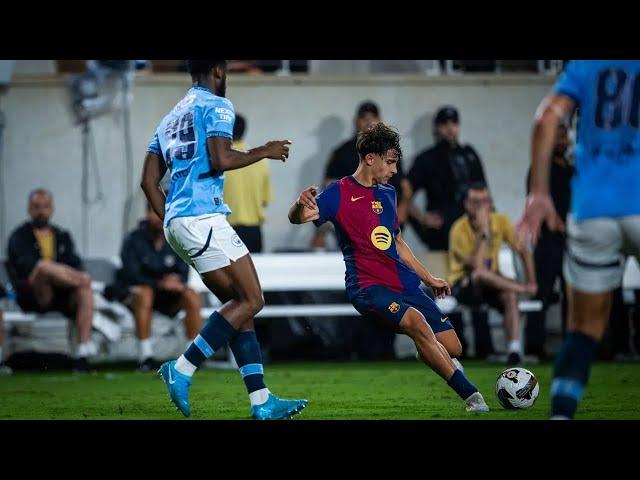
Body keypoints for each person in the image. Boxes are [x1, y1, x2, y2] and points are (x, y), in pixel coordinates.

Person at [142, 59, 307, 419]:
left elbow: (148, 183)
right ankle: (182, 368)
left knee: (238, 308)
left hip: (178, 224)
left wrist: (172, 217)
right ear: (218, 69)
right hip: (203, 218)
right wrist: (266, 149)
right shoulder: (217, 105)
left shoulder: (170, 117)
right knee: (252, 298)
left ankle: (260, 400)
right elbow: (221, 158)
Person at [289, 122, 490, 413]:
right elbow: (299, 217)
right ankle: (472, 397)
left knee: (453, 347)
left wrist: (429, 278)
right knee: (418, 324)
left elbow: (397, 243)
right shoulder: (339, 192)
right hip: (368, 287)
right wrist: (299, 204)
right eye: (391, 162)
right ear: (371, 158)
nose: (395, 170)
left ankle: (433, 354)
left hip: (404, 284)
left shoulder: (388, 194)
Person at [517, 60, 640, 419]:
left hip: (592, 210)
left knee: (583, 329)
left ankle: (561, 415)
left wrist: (538, 193)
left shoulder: (587, 64)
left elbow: (545, 118)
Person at [6, 189, 95, 372]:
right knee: (43, 267)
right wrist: (70, 275)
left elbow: (75, 263)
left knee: (84, 291)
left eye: (45, 207)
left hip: (61, 294)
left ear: (51, 209)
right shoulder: (19, 236)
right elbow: (27, 269)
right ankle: (82, 281)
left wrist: (67, 276)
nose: (41, 211)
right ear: (29, 209)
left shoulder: (62, 236)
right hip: (33, 294)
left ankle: (83, 354)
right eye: (36, 207)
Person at [449, 182, 537, 364]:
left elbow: (523, 250)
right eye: (475, 202)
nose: (481, 207)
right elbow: (477, 267)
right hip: (464, 285)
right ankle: (520, 288)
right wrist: (483, 232)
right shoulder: (458, 229)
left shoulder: (501, 221)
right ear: (466, 204)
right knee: (481, 275)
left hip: (492, 283)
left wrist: (532, 281)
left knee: (509, 294)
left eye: (485, 201)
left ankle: (514, 350)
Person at [311, 101, 412, 249]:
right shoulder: (342, 153)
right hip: (353, 221)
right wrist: (321, 232)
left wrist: (402, 210)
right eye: (364, 118)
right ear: (356, 122)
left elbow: (405, 187)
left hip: (385, 218)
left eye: (373, 117)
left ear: (380, 120)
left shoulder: (390, 151)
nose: (369, 122)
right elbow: (329, 191)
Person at [120, 205, 202, 371]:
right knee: (145, 293)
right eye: (154, 212)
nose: (158, 218)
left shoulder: (175, 237)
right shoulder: (134, 239)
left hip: (169, 297)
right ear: (147, 213)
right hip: (139, 296)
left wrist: (176, 282)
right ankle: (146, 356)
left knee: (191, 294)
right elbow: (130, 273)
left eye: (162, 213)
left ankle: (192, 356)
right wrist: (159, 283)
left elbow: (184, 271)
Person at [524, 123, 574, 358]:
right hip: (548, 241)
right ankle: (534, 348)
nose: (563, 140)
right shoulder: (541, 170)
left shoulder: (572, 169)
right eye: (558, 135)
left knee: (572, 294)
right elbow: (541, 208)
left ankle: (571, 345)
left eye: (565, 135)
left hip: (572, 241)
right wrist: (560, 224)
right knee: (541, 294)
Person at [408, 106, 488, 251]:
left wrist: (485, 220)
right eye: (445, 124)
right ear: (437, 128)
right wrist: (422, 219)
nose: (450, 128)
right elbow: (402, 194)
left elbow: (484, 191)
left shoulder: (469, 155)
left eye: (454, 123)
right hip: (443, 235)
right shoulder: (427, 158)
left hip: (473, 231)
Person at [223, 114, 272, 253]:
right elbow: (264, 201)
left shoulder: (218, 162)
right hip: (253, 231)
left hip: (226, 230)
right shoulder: (261, 160)